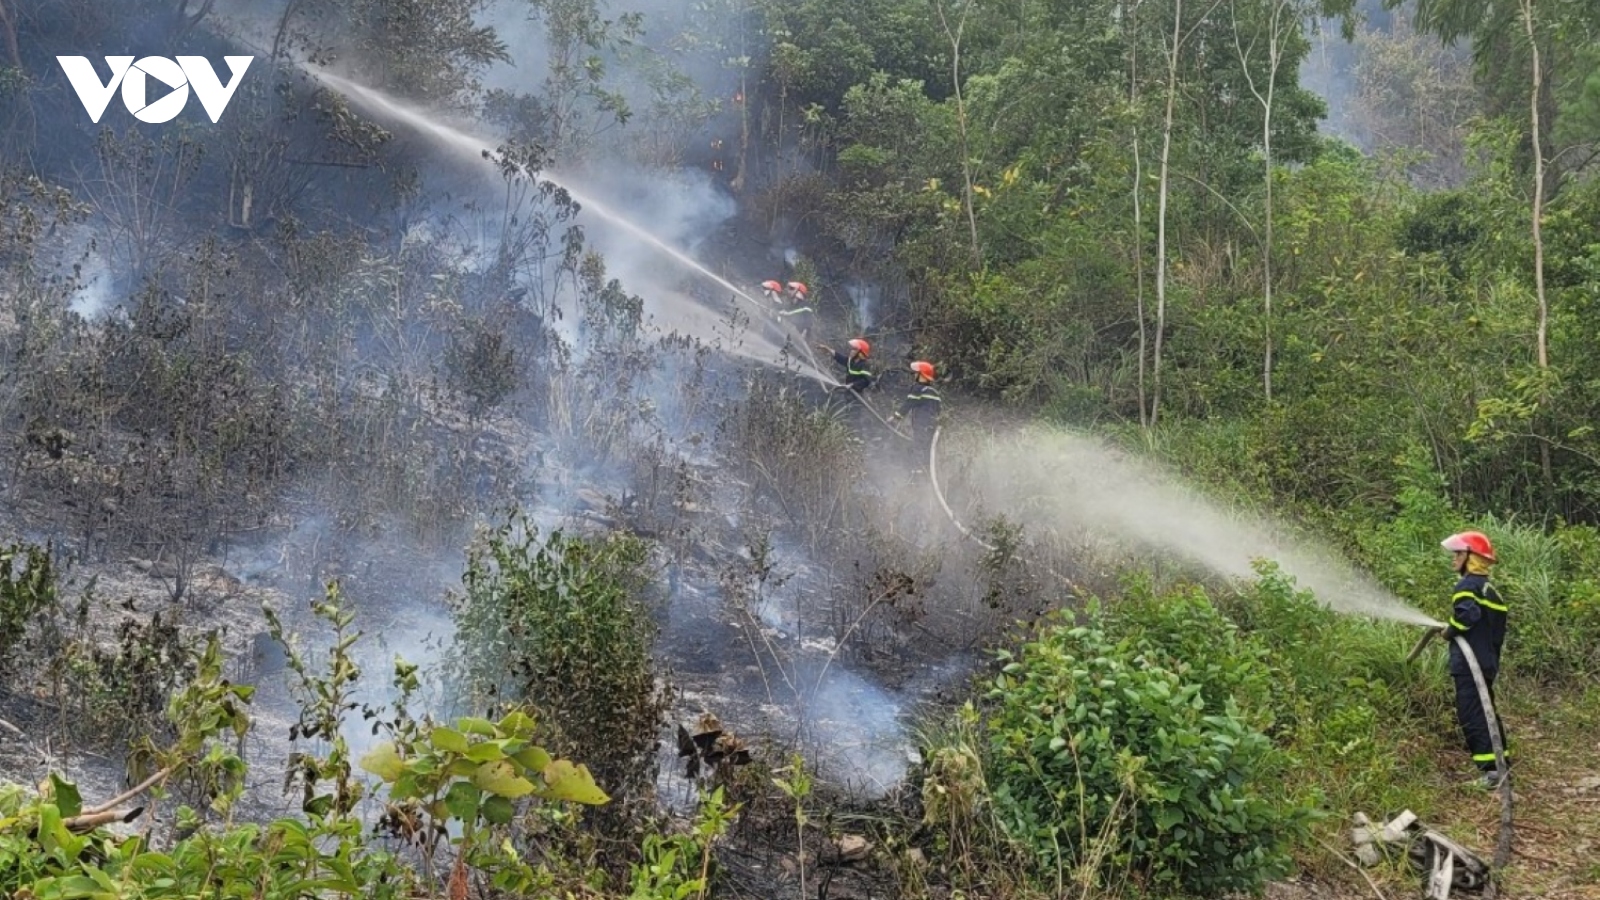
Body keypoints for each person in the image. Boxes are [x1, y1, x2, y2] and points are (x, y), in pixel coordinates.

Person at [1439, 530, 1511, 788]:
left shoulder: (1466, 586)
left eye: (1458, 553)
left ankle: (1491, 774)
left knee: (1472, 714)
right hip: (1487, 663)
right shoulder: (1492, 591)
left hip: (1469, 665)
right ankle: (1501, 766)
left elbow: (1466, 616)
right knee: (1487, 711)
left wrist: (1449, 631)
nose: (1454, 559)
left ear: (1472, 558)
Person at [890, 361, 942, 471]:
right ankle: (925, 472)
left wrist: (895, 417)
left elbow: (908, 404)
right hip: (932, 427)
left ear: (922, 375)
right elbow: (939, 411)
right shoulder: (935, 393)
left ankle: (917, 473)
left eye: (916, 373)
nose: (914, 375)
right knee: (927, 451)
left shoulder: (918, 389)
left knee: (918, 448)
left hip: (921, 426)